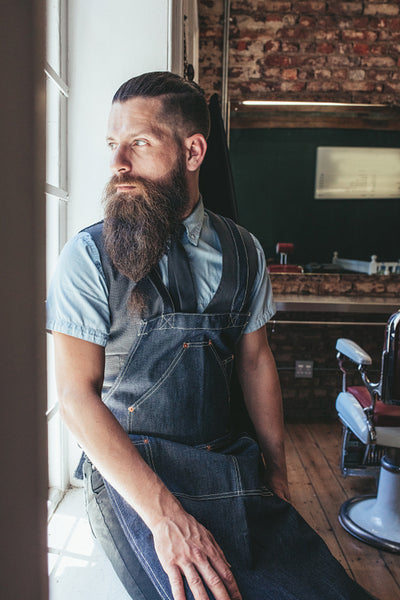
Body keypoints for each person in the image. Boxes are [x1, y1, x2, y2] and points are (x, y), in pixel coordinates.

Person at [47, 71, 376, 600]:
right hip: (132, 482)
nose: (117, 164)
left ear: (193, 151)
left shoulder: (245, 252)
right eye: (113, 144)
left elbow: (256, 363)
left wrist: (277, 472)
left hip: (227, 465)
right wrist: (166, 519)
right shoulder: (86, 257)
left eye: (139, 143)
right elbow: (74, 399)